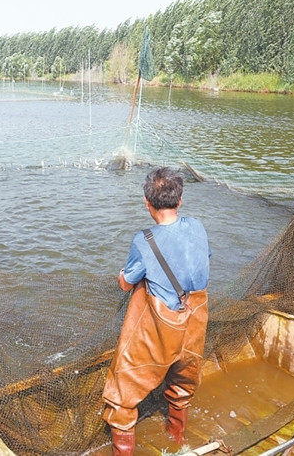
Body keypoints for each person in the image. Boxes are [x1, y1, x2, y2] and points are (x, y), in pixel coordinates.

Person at [102, 168, 211, 454]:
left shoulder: (145, 239)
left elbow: (126, 283)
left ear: (147, 202)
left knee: (122, 393)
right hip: (197, 315)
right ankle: (177, 439)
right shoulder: (197, 227)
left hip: (163, 324)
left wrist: (123, 275)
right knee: (183, 384)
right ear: (180, 199)